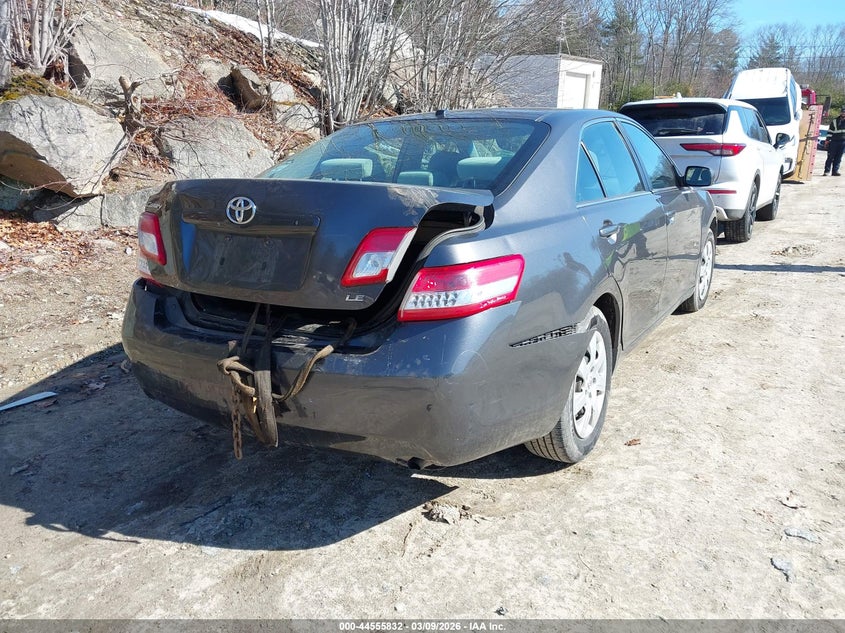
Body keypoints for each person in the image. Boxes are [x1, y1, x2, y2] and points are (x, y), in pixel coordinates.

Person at [823, 110, 845, 176]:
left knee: (839, 157)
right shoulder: (835, 121)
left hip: (843, 142)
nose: (843, 113)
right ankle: (826, 171)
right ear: (840, 113)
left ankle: (835, 171)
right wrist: (827, 140)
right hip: (834, 141)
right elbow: (830, 131)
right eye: (842, 112)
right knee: (830, 156)